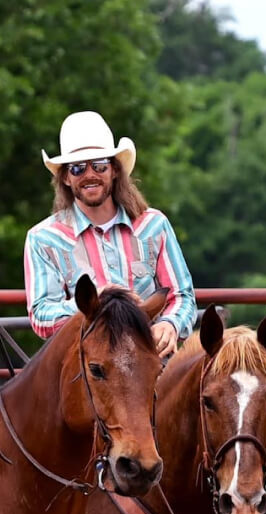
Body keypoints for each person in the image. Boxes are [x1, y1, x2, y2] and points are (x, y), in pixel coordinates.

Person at [24, 111, 196, 355]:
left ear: (114, 170)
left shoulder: (154, 225)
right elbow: (41, 317)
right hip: (86, 373)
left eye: (100, 165)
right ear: (64, 177)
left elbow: (182, 296)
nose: (90, 174)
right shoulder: (43, 239)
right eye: (78, 168)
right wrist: (94, 303)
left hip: (152, 360)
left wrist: (170, 324)